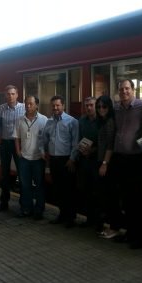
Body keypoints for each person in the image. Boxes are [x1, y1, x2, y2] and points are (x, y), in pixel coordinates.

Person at [111, 79, 142, 249]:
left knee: (138, 199)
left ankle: (141, 238)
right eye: (121, 89)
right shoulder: (117, 108)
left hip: (136, 159)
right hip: (120, 158)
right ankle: (130, 233)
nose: (124, 92)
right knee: (125, 198)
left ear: (133, 90)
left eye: (127, 88)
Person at [41, 95, 79, 228]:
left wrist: (72, 159)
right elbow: (45, 139)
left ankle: (71, 218)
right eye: (53, 106)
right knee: (58, 189)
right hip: (53, 160)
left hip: (66, 160)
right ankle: (62, 214)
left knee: (69, 189)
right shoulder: (49, 122)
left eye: (58, 105)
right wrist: (44, 151)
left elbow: (75, 143)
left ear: (63, 106)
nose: (55, 108)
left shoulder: (72, 121)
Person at [13, 95, 48, 219]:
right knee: (25, 185)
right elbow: (16, 137)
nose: (28, 106)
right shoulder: (19, 120)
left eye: (31, 104)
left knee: (39, 185)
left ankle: (39, 211)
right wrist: (18, 152)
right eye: (26, 104)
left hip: (38, 159)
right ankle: (26, 209)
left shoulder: (44, 120)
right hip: (24, 159)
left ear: (36, 105)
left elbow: (47, 139)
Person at [94, 95, 119, 238]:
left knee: (110, 197)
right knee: (104, 196)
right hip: (102, 161)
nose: (101, 109)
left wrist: (104, 164)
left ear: (109, 108)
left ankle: (114, 227)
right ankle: (109, 225)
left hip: (107, 164)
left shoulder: (109, 122)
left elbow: (110, 145)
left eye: (104, 106)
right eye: (99, 107)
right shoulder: (102, 122)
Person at [0, 85, 25, 212]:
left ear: (17, 95)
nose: (10, 96)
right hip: (6, 144)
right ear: (5, 95)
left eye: (13, 94)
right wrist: (0, 140)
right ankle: (4, 203)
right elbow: (0, 126)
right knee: (5, 174)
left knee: (22, 173)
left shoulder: (24, 108)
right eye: (8, 94)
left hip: (19, 144)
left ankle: (24, 204)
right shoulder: (1, 108)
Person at [75, 97, 99, 227]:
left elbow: (105, 142)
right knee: (86, 190)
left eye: (91, 105)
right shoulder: (82, 121)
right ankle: (89, 219)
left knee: (97, 191)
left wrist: (93, 150)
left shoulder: (101, 121)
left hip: (97, 161)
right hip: (84, 161)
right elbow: (79, 138)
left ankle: (98, 221)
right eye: (86, 106)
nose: (89, 108)